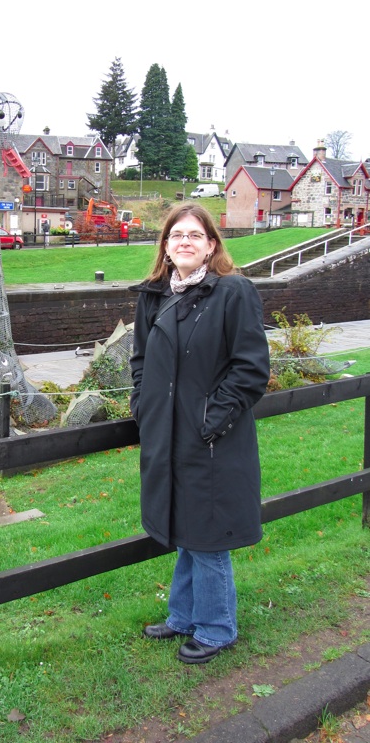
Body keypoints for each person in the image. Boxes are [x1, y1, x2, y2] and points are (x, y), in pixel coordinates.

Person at [129, 203, 270, 665]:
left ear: (211, 244)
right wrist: (144, 407)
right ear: (166, 247)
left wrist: (211, 421)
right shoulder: (153, 296)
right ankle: (184, 616)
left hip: (213, 440)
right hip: (167, 435)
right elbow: (141, 363)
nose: (184, 241)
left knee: (208, 534)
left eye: (194, 235)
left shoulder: (233, 293)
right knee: (186, 529)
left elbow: (250, 370)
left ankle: (216, 627)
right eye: (175, 235)